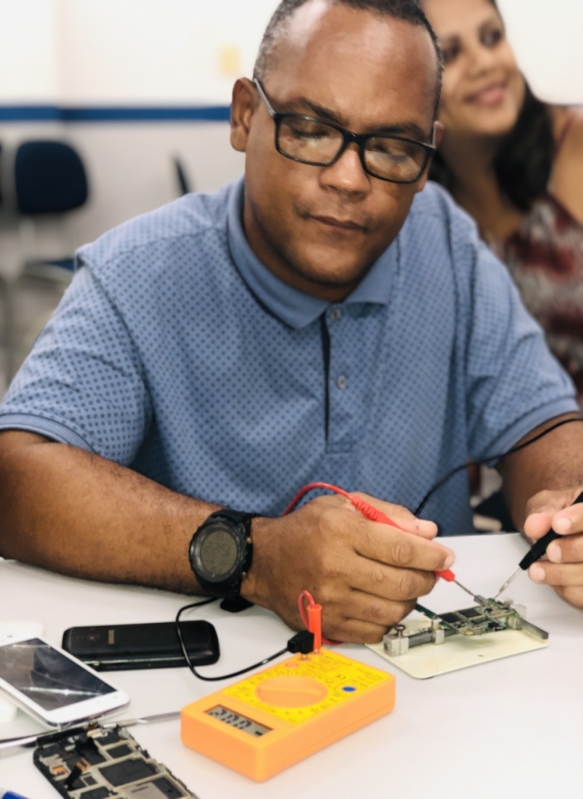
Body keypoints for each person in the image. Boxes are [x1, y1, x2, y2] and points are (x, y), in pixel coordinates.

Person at [1, 0, 583, 645]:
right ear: (245, 116)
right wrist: (254, 556)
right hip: (217, 690)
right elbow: (18, 477)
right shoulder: (140, 272)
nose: (347, 179)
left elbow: (543, 420)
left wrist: (567, 504)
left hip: (435, 677)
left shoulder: (445, 243)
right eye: (309, 129)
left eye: (392, 148)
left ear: (427, 159)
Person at [421, 0, 583, 400]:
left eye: (492, 38)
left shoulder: (575, 143)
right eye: (451, 54)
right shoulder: (416, 200)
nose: (484, 62)